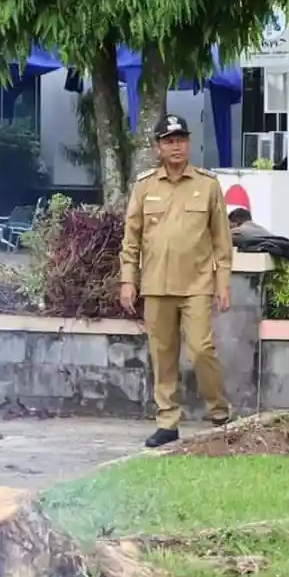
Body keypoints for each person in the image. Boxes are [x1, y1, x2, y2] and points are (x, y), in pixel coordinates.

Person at [119, 113, 233, 448]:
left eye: (181, 140)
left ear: (189, 143)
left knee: (201, 350)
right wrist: (129, 280)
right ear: (158, 147)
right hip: (155, 285)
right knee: (163, 356)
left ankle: (218, 413)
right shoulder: (144, 187)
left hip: (197, 285)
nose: (176, 146)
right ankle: (167, 421)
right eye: (169, 141)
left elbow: (221, 240)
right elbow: (132, 239)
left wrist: (222, 282)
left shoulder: (207, 185)